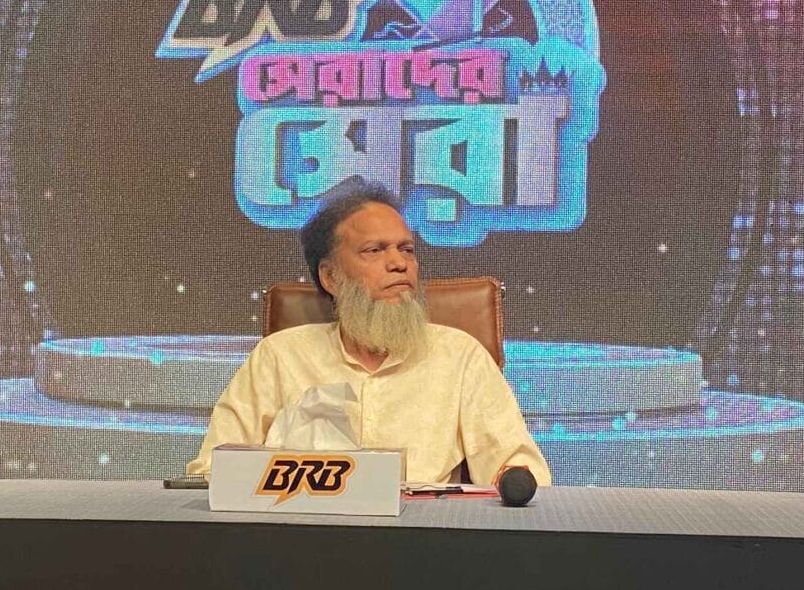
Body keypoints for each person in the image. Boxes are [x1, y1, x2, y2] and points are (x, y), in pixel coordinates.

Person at [189, 182, 550, 487]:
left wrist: (512, 481)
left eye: (407, 249)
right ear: (331, 277)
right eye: (374, 251)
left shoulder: (460, 356)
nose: (399, 263)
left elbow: (520, 472)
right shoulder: (280, 356)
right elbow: (212, 472)